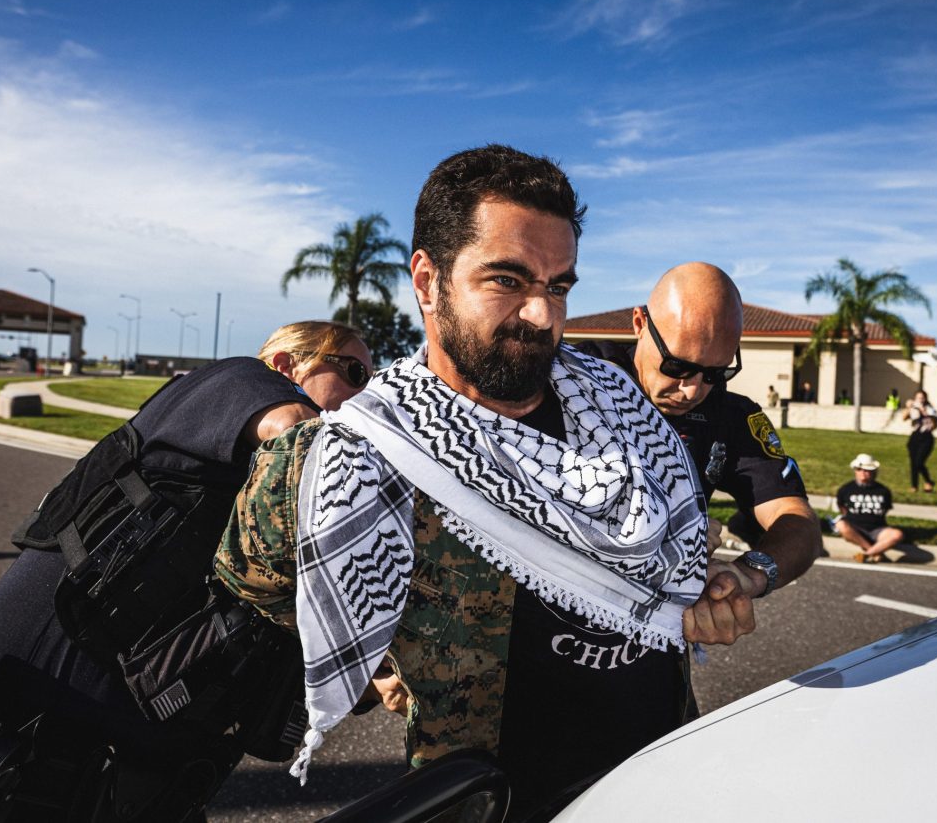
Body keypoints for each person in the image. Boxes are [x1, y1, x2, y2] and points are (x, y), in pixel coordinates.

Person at [215, 146, 748, 821]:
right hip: (488, 800)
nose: (541, 315)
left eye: (558, 286)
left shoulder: (617, 406)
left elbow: (667, 551)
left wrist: (705, 585)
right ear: (428, 281)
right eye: (507, 280)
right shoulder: (355, 456)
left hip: (658, 779)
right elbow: (249, 579)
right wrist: (372, 646)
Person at [0, 322, 373, 821]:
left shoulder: (280, 523)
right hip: (5, 758)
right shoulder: (238, 382)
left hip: (134, 788)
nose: (367, 394)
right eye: (355, 373)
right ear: (286, 364)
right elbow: (300, 433)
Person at [574, 262, 821, 605]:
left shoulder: (731, 415)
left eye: (715, 373)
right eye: (677, 367)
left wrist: (749, 575)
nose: (691, 391)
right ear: (639, 324)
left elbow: (796, 519)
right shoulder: (579, 377)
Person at [833, 453, 902, 563]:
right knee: (841, 525)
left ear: (874, 472)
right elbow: (842, 508)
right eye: (859, 469)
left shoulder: (883, 491)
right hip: (854, 528)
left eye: (867, 470)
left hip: (878, 529)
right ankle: (873, 551)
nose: (863, 473)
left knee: (897, 534)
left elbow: (885, 510)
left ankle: (866, 554)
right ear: (855, 470)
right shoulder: (846, 489)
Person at [903, 389, 937, 492]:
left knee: (919, 462)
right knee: (913, 463)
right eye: (918, 398)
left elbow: (935, 426)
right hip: (915, 437)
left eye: (922, 398)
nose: (920, 400)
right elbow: (904, 417)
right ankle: (914, 486)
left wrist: (924, 412)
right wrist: (909, 407)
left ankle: (928, 481)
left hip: (926, 438)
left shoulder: (931, 410)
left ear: (926, 399)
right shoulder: (913, 409)